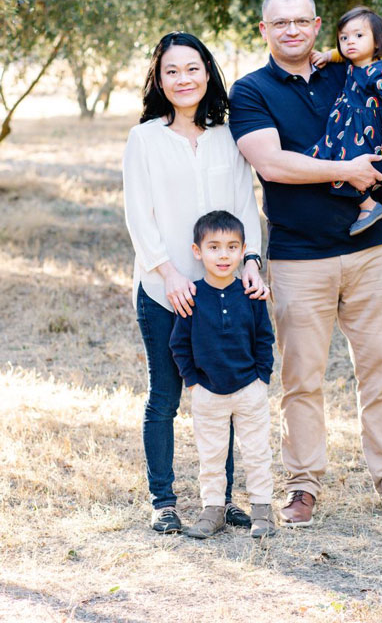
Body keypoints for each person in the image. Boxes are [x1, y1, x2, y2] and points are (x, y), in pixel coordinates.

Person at [229, 0, 382, 526]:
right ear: (264, 31)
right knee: (302, 377)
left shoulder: (350, 71)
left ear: (318, 24)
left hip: (372, 251)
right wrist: (346, 168)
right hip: (299, 258)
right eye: (281, 23)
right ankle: (302, 486)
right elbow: (272, 165)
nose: (292, 30)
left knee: (380, 371)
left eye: (302, 21)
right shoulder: (251, 91)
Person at [123, 31, 267, 534]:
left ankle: (219, 501)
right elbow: (139, 216)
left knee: (222, 390)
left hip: (222, 291)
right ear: (159, 81)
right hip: (164, 290)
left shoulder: (230, 136)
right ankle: (164, 502)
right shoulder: (144, 138)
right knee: (165, 396)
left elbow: (245, 204)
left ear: (208, 72)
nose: (183, 79)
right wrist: (167, 273)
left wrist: (251, 260)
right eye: (171, 72)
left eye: (192, 68)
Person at [170, 210, 276, 540]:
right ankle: (213, 510)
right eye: (214, 247)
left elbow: (264, 337)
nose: (223, 255)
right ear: (197, 251)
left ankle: (262, 510)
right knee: (212, 455)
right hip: (208, 393)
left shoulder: (249, 293)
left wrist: (262, 378)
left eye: (232, 247)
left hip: (249, 389)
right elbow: (179, 344)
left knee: (257, 452)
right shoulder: (192, 295)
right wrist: (193, 383)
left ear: (243, 251)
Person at [308, 6, 382, 258]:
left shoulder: (380, 71)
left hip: (370, 134)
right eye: (344, 38)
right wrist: (328, 55)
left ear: (377, 41)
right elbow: (341, 55)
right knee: (381, 182)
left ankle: (367, 206)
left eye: (359, 36)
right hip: (355, 127)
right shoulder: (351, 62)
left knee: (345, 166)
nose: (350, 43)